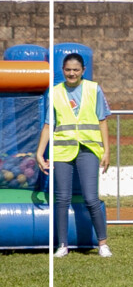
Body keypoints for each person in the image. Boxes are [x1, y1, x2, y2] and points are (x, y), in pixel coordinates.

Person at [36, 51, 111, 258]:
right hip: (62, 150)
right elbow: (48, 125)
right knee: (62, 198)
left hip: (88, 149)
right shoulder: (55, 92)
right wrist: (39, 153)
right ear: (62, 70)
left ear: (83, 70)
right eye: (68, 70)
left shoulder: (93, 89)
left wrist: (106, 151)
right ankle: (63, 245)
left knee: (91, 198)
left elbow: (102, 121)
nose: (72, 73)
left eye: (76, 70)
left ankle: (103, 244)